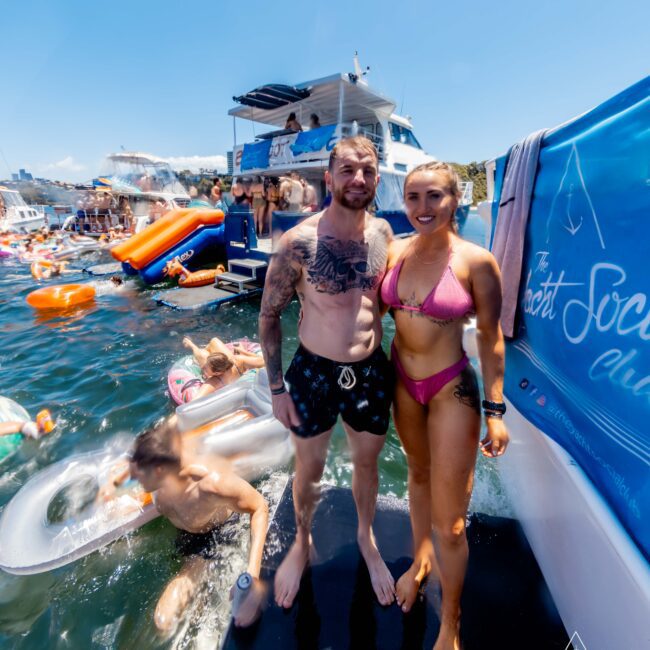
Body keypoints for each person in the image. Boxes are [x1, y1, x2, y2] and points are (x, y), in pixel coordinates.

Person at [259, 136, 395, 609]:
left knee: (367, 465)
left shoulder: (383, 236)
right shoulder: (298, 242)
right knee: (309, 468)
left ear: (377, 179)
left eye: (368, 170)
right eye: (348, 170)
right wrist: (276, 388)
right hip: (313, 373)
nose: (358, 179)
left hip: (371, 373)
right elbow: (269, 316)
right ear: (329, 177)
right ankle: (302, 541)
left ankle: (365, 537)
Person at [381, 161, 509, 649]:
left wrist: (495, 411)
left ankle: (451, 622)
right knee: (416, 474)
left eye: (434, 196)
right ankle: (419, 562)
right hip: (401, 382)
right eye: (413, 197)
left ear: (455, 199)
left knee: (452, 523)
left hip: (449, 386)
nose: (422, 208)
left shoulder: (476, 262)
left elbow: (492, 339)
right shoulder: (393, 250)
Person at [129, 421, 269, 632]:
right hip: (186, 533)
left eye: (139, 472)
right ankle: (199, 599)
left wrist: (253, 574)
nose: (133, 477)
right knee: (166, 621)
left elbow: (259, 506)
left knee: (163, 620)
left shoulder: (210, 484)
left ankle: (202, 601)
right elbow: (171, 425)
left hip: (217, 534)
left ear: (158, 471)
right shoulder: (161, 475)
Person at [182, 336, 265, 400]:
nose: (203, 367)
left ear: (217, 373)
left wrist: (191, 345)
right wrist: (243, 352)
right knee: (214, 341)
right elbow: (264, 361)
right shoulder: (237, 361)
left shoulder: (214, 381)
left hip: (219, 370)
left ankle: (191, 345)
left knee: (202, 355)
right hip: (233, 365)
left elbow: (194, 401)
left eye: (205, 368)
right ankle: (208, 351)